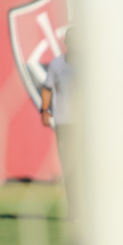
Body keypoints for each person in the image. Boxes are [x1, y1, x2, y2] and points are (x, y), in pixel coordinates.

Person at [40, 28, 75, 216]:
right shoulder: (57, 64)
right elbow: (47, 88)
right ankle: (74, 208)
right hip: (65, 123)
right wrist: (44, 111)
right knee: (70, 167)